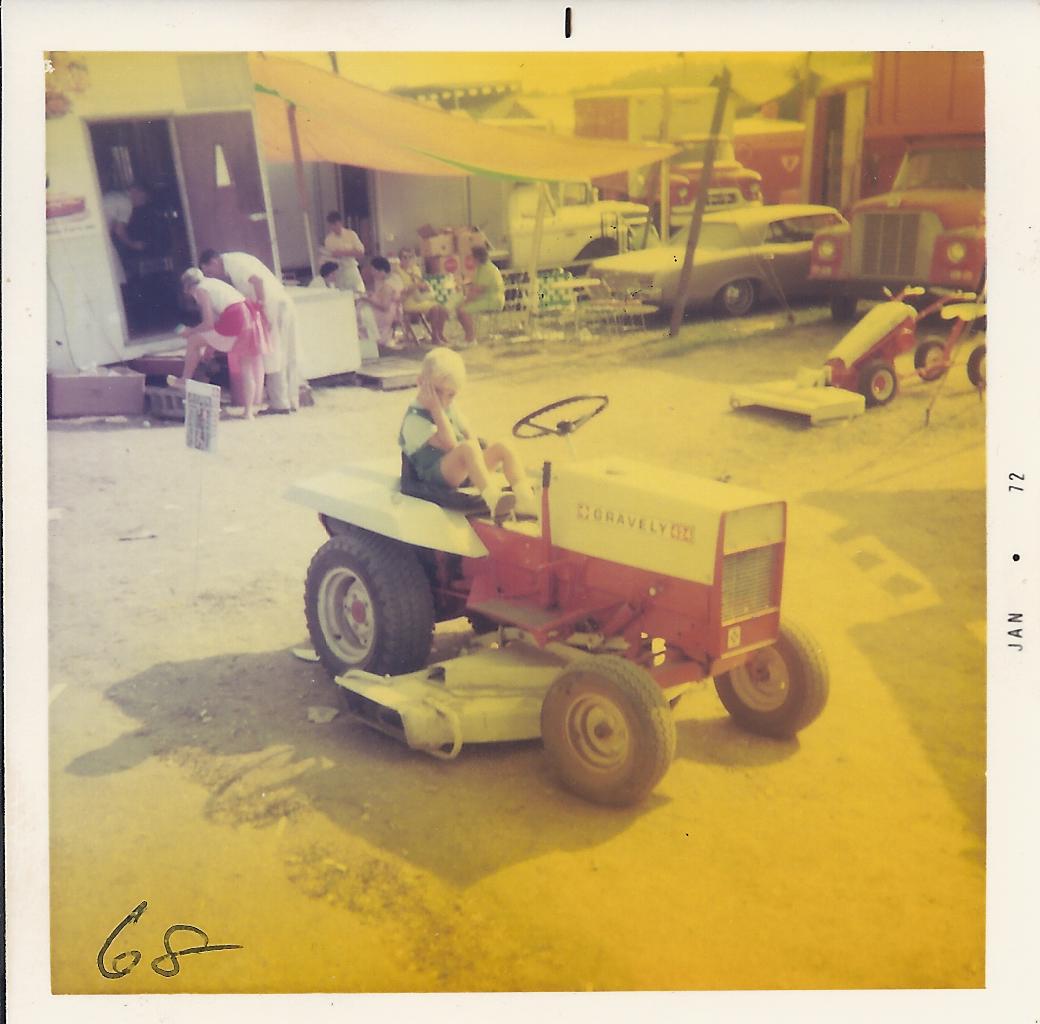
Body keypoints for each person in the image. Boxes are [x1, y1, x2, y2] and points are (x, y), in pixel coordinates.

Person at [398, 348, 538, 519]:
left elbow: (469, 434)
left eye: (450, 395)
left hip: (462, 468)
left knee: (504, 445)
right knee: (467, 448)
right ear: (421, 382)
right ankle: (493, 500)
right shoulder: (415, 419)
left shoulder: (450, 407)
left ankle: (525, 500)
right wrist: (436, 410)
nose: (443, 400)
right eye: (437, 391)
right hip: (436, 476)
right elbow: (450, 445)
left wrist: (482, 462)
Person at [199, 249, 299, 413]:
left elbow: (257, 281)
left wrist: (260, 307)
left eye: (209, 271)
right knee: (287, 352)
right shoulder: (237, 261)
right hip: (281, 302)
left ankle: (280, 403)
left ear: (214, 262)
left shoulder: (234, 263)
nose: (212, 276)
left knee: (274, 354)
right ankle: (292, 399)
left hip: (273, 306)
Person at [168, 268, 269, 420]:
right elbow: (215, 326)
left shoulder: (200, 290)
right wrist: (210, 347)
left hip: (235, 318)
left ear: (187, 287)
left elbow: (208, 323)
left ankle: (184, 379)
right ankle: (248, 412)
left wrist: (190, 331)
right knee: (246, 367)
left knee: (194, 340)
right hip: (249, 317)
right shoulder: (213, 283)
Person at [442, 245, 505, 347]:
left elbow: (477, 291)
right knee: (459, 306)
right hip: (486, 298)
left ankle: (470, 339)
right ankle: (468, 336)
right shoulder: (482, 268)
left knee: (462, 310)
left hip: (492, 300)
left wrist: (464, 301)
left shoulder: (487, 269)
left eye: (471, 256)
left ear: (477, 257)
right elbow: (475, 284)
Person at [395, 247, 448, 345]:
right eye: (405, 257)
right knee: (434, 308)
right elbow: (400, 292)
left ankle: (440, 333)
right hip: (407, 302)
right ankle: (435, 336)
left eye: (410, 257)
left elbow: (420, 285)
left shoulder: (415, 269)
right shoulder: (397, 272)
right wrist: (415, 286)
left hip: (419, 298)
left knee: (443, 308)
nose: (407, 260)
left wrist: (424, 286)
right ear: (400, 259)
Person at [358, 256, 404, 350]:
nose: (371, 272)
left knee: (361, 312)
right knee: (361, 308)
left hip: (385, 314)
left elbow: (385, 306)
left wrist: (368, 299)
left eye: (373, 269)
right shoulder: (382, 283)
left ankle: (372, 339)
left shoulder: (388, 285)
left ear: (380, 271)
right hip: (383, 311)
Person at [321, 212, 366, 293]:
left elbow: (361, 253)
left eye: (335, 224)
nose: (333, 227)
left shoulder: (351, 234)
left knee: (359, 291)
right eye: (331, 225)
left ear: (340, 223)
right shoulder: (328, 239)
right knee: (341, 294)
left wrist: (343, 252)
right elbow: (328, 257)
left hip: (351, 268)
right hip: (337, 272)